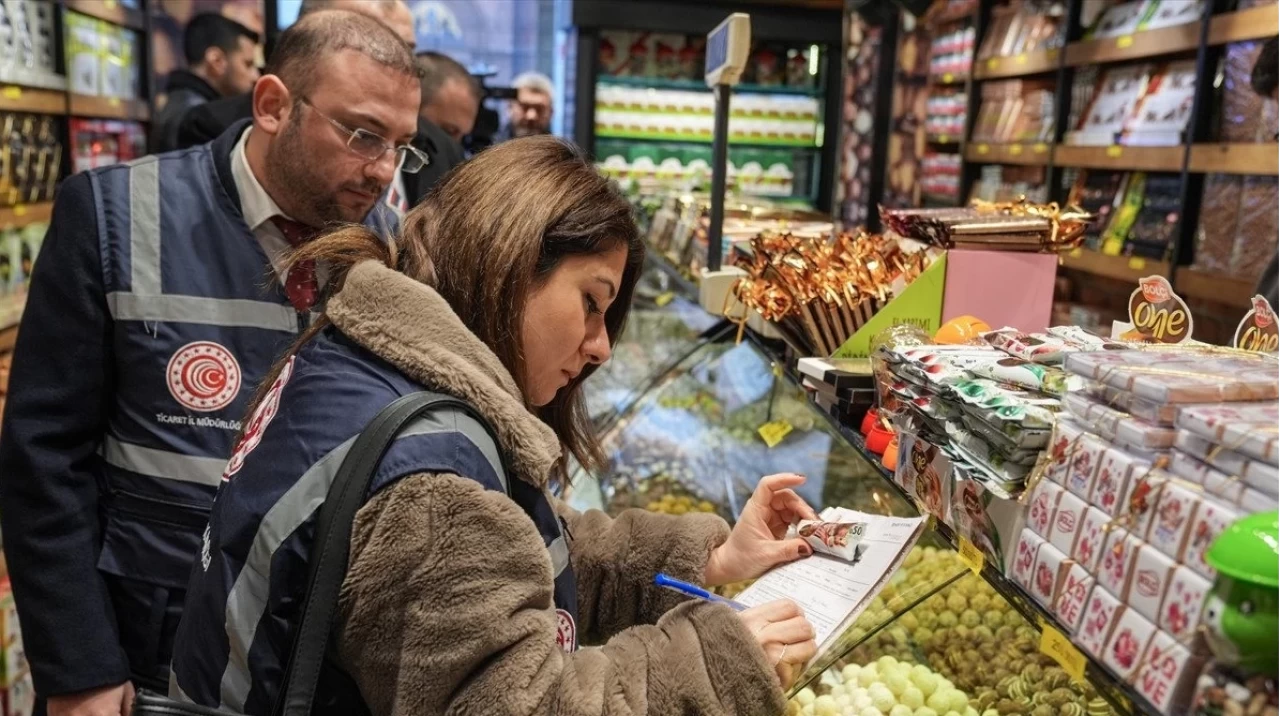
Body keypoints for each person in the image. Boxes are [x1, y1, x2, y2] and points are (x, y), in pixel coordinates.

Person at [170, 136, 820, 716]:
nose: (601, 348)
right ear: (506, 267)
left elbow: (510, 557)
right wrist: (717, 666)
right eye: (590, 303)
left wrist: (713, 558)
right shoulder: (433, 489)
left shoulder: (363, 359)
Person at [0, 10, 419, 714]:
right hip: (144, 653)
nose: (382, 169)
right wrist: (79, 668)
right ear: (273, 106)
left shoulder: (394, 249)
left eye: (402, 146)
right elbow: (43, 459)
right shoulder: (113, 215)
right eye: (362, 134)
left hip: (310, 659)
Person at [150, 14, 260, 153]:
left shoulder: (179, 104)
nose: (256, 76)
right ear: (216, 61)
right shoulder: (200, 121)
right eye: (248, 64)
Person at [385, 51, 475, 210]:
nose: (453, 145)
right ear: (413, 103)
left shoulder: (447, 164)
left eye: (461, 136)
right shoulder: (372, 164)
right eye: (449, 131)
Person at [504, 70, 554, 139]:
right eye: (524, 107)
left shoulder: (562, 149)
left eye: (539, 109)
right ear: (509, 107)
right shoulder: (490, 147)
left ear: (551, 112)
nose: (531, 116)